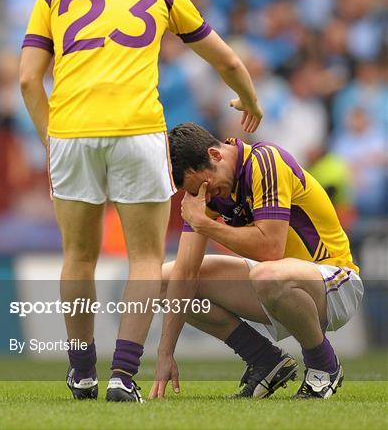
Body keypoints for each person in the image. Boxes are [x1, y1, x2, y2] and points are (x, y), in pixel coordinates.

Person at [19, 0, 262, 402]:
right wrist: (249, 100)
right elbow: (227, 59)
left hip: (72, 132)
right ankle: (123, 376)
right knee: (147, 258)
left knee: (78, 257)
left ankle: (82, 371)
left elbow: (27, 78)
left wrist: (51, 137)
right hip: (138, 131)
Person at [150, 123, 363, 400]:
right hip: (277, 281)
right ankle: (266, 361)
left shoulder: (265, 161)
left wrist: (204, 224)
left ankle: (324, 366)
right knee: (165, 280)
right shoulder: (205, 190)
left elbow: (271, 247)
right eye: (196, 192)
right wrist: (165, 353)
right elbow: (185, 272)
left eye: (208, 187)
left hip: (334, 281)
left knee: (267, 275)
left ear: (215, 155)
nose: (208, 196)